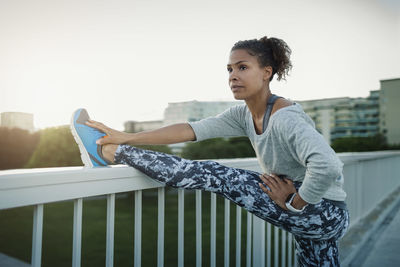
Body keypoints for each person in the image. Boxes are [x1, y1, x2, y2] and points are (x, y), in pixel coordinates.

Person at [71, 36, 349, 266]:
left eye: (242, 67)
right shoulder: (244, 114)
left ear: (266, 73)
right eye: (229, 69)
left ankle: (108, 153)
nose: (233, 76)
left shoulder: (285, 117)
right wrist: (129, 136)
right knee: (316, 262)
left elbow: (327, 165)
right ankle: (118, 147)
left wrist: (296, 202)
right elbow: (190, 130)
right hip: (317, 213)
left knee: (216, 174)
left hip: (322, 212)